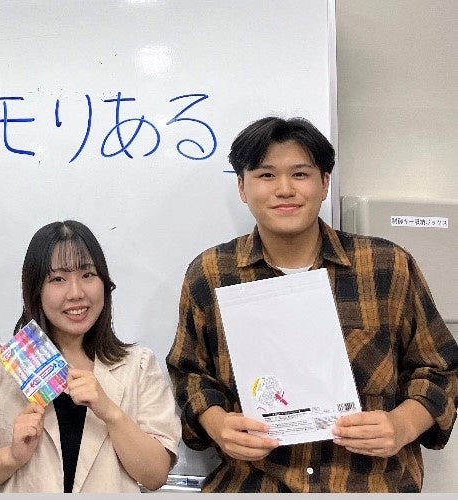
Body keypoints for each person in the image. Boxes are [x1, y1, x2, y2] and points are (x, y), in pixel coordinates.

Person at [166, 116, 458, 492]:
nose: (284, 189)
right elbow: (189, 372)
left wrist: (402, 425)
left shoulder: (386, 264)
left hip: (368, 484)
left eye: (300, 174)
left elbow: (441, 369)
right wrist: (217, 423)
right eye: (266, 175)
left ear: (324, 183)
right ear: (242, 187)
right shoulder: (211, 273)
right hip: (254, 483)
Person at [0, 220, 181, 492]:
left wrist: (110, 412)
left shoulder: (138, 365)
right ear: (35, 289)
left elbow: (156, 475)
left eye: (88, 274)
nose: (76, 293)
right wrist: (12, 456)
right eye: (58, 279)